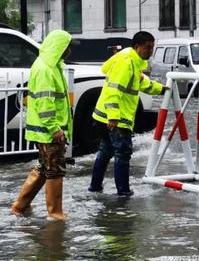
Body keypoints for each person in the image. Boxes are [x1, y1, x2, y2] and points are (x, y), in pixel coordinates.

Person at [88, 31, 167, 196]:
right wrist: (114, 116)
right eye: (148, 47)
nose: (150, 51)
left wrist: (160, 89)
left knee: (106, 151)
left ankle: (95, 188)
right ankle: (123, 192)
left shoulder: (132, 60)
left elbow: (141, 82)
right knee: (122, 153)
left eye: (152, 47)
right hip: (116, 118)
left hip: (107, 115)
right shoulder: (127, 62)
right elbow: (113, 90)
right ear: (137, 46)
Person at [11, 30, 73, 220]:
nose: (69, 50)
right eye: (67, 46)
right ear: (59, 47)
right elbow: (45, 103)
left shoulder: (50, 66)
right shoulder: (46, 69)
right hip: (49, 131)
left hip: (46, 130)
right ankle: (55, 213)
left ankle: (20, 206)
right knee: (54, 171)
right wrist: (54, 127)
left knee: (45, 168)